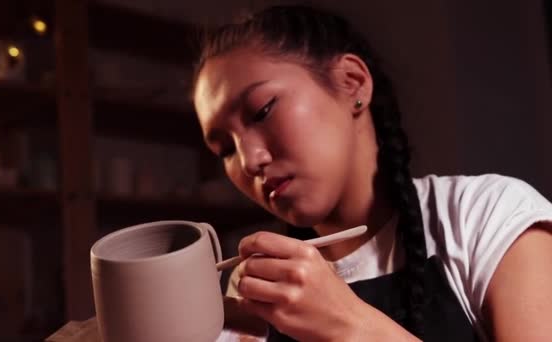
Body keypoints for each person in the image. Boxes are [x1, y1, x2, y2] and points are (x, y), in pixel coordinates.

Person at [191, 5, 552, 342]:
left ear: (352, 82)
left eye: (262, 111)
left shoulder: (487, 215)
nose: (249, 160)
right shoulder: (253, 287)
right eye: (224, 150)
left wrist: (347, 322)